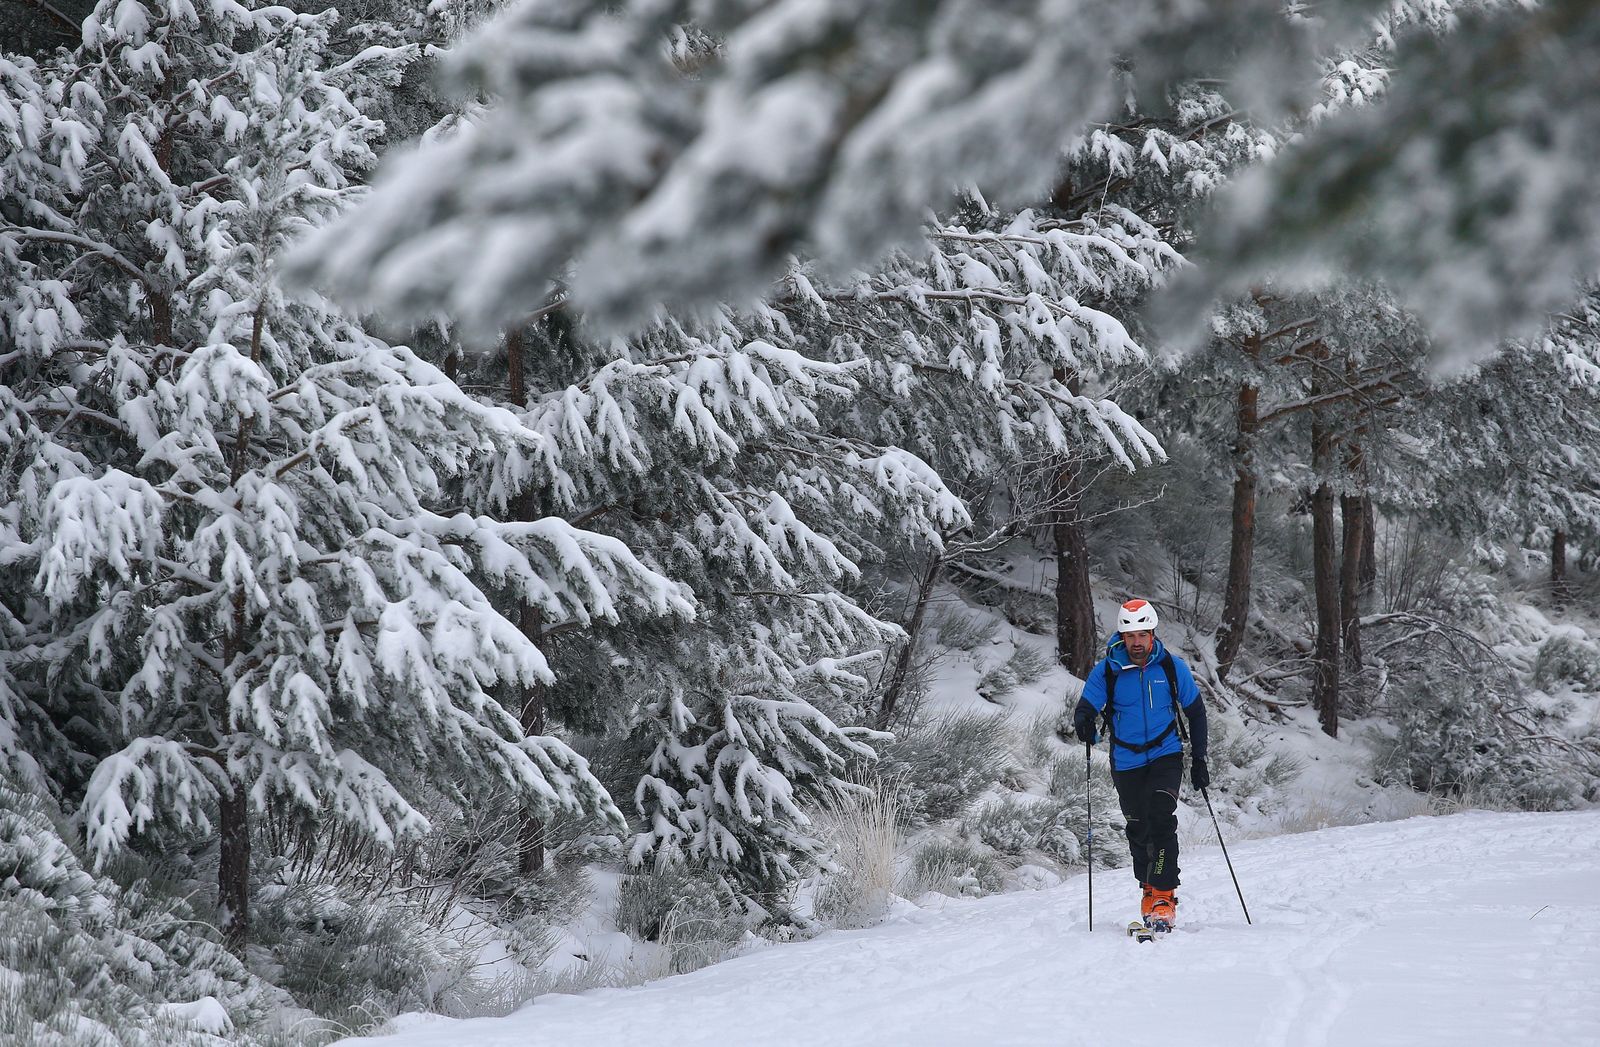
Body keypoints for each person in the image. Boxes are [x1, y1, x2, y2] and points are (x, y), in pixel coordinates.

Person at [1071, 598, 1208, 931]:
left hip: (1166, 754)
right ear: (1122, 636)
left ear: (1152, 634)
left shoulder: (1172, 668)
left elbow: (1196, 712)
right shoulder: (1107, 670)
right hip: (1126, 760)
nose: (1136, 643)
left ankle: (1164, 896)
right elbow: (1085, 707)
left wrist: (1200, 758)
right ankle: (1148, 888)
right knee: (1138, 827)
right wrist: (1084, 721)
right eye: (1130, 636)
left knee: (1160, 816)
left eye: (1142, 635)